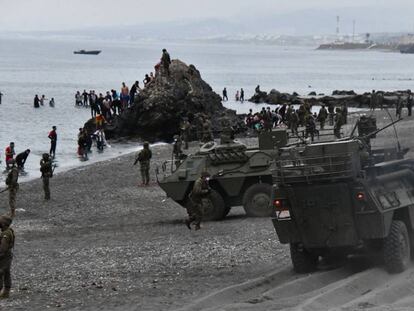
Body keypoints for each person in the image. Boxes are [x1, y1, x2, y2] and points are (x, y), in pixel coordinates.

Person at [0, 215, 15, 299]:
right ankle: (6, 292)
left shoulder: (5, 234)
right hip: (7, 256)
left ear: (4, 224)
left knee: (1, 272)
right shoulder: (8, 231)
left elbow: (3, 248)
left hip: (4, 257)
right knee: (6, 273)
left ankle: (4, 292)